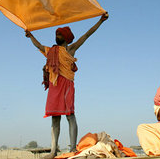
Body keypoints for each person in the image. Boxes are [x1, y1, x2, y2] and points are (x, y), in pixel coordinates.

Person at [25, 12, 108, 159]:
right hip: (54, 86)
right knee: (54, 118)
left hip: (66, 86)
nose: (57, 36)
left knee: (70, 116)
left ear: (66, 38)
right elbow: (37, 45)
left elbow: (87, 35)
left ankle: (73, 148)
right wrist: (30, 35)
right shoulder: (51, 51)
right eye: (57, 34)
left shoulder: (71, 49)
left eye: (60, 35)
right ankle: (53, 151)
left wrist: (100, 21)